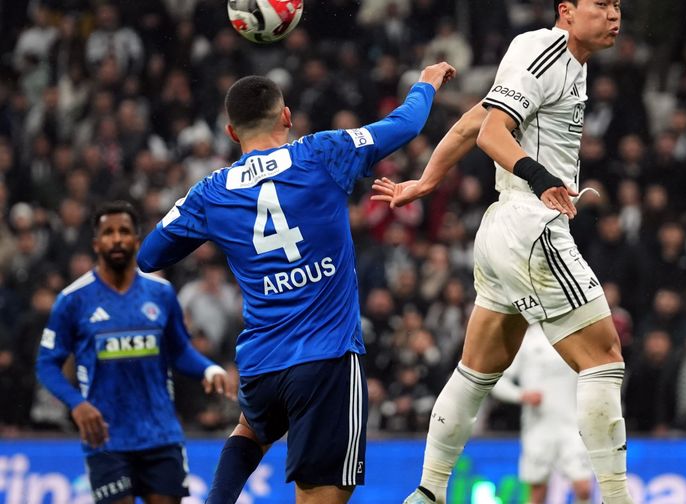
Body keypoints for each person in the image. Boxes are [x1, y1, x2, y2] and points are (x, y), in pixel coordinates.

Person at [136, 62, 457, 504]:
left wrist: (206, 221)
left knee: (253, 426)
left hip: (261, 364)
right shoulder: (321, 152)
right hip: (327, 360)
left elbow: (150, 254)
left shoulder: (211, 191)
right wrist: (425, 83)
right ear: (286, 117)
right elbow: (405, 124)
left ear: (232, 133)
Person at [372, 2, 632, 503]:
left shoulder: (567, 63)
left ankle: (427, 493)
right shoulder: (541, 50)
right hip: (531, 225)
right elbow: (494, 133)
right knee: (604, 359)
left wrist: (426, 181)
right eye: (601, 4)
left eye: (618, 5)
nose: (614, 15)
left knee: (476, 371)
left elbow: (474, 122)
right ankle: (619, 498)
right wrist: (541, 180)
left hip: (504, 233)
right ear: (568, 11)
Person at [35, 200, 233, 504]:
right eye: (109, 232)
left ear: (137, 240)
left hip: (160, 434)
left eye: (124, 231)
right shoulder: (73, 300)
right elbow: (47, 364)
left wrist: (208, 369)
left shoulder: (161, 293)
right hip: (106, 438)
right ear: (95, 243)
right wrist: (76, 403)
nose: (117, 238)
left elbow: (179, 351)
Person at [491, 324, 593, 504]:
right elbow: (497, 381)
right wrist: (521, 395)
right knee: (538, 492)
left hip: (572, 426)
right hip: (538, 428)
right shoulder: (524, 340)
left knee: (584, 488)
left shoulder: (573, 333)